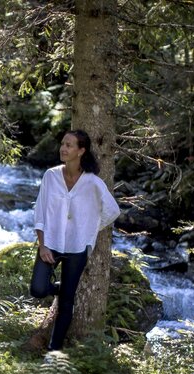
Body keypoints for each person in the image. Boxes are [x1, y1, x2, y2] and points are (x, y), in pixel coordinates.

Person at [29, 130, 120, 350]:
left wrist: (88, 228)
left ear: (81, 151)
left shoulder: (93, 183)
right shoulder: (50, 176)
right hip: (50, 242)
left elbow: (112, 210)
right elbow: (40, 213)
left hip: (77, 247)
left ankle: (54, 349)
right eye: (62, 144)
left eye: (69, 145)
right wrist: (42, 245)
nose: (63, 148)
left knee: (67, 301)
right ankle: (57, 287)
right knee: (38, 289)